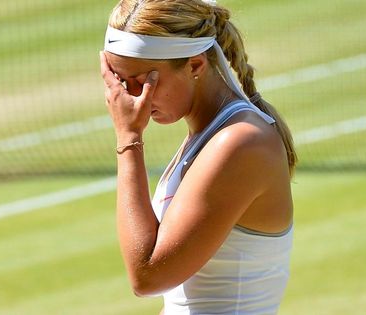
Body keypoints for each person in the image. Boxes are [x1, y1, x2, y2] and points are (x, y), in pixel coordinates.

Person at [99, 0, 297, 313]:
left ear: (194, 65)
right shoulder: (209, 138)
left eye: (142, 80)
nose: (129, 98)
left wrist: (129, 138)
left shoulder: (240, 143)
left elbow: (148, 277)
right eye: (120, 82)